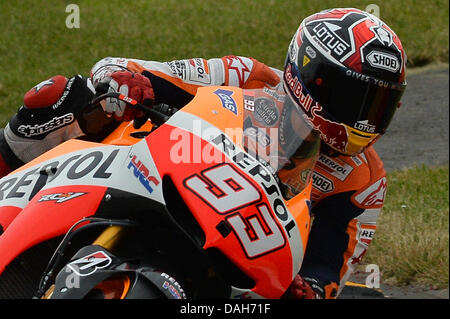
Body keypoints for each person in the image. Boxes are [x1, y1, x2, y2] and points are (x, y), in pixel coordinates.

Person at [0, 8, 406, 299]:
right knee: (58, 97)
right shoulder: (248, 76)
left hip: (243, 254)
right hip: (153, 169)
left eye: (379, 105)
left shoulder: (364, 179)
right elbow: (123, 68)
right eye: (357, 98)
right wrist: (132, 83)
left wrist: (312, 289)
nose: (365, 118)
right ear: (310, 74)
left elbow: (330, 266)